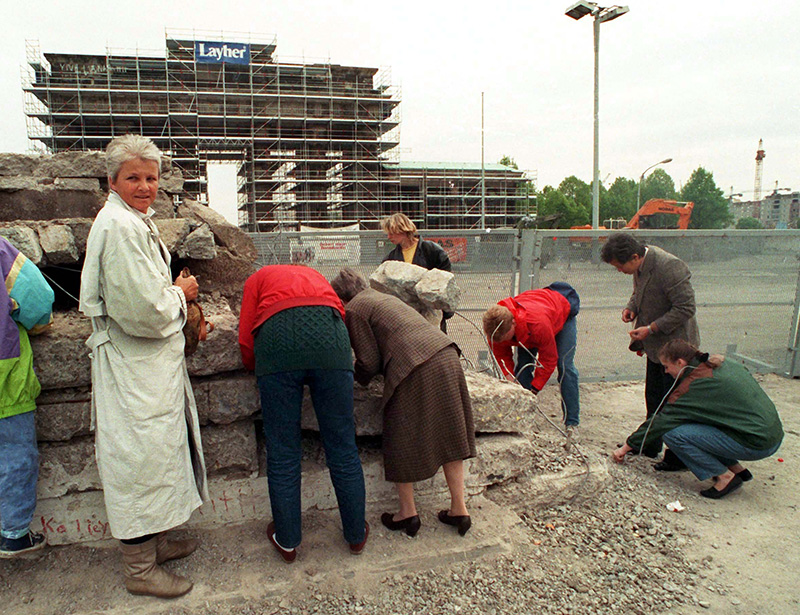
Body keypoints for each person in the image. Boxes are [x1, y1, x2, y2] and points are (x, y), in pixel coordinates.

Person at [79, 134, 207, 598]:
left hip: (147, 370)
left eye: (151, 177)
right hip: (132, 368)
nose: (145, 186)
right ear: (112, 180)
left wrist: (168, 290)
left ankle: (154, 544)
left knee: (156, 457)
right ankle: (139, 569)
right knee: (137, 462)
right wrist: (181, 295)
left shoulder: (132, 221)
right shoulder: (118, 226)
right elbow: (144, 312)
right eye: (134, 177)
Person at [330, 268, 476, 537]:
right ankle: (459, 509)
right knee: (451, 432)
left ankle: (407, 513)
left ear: (340, 298)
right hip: (445, 352)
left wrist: (355, 377)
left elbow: (369, 361)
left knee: (399, 435)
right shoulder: (381, 296)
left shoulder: (355, 310)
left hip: (413, 365)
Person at [238, 264, 367, 562]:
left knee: (283, 451)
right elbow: (339, 316)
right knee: (343, 445)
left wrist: (257, 369)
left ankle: (287, 541)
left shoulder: (257, 278)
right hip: (331, 344)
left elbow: (246, 337)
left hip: (277, 346)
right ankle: (356, 535)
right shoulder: (317, 277)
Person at [612, 340, 783, 499]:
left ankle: (725, 477)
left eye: (666, 366)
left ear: (680, 363)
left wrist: (626, 447)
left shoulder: (693, 385)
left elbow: (662, 421)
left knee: (672, 434)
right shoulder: (722, 363)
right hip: (771, 433)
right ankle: (737, 469)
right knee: (698, 423)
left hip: (756, 443)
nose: (665, 372)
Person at [601, 233, 700, 469]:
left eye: (620, 266)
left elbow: (686, 308)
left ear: (634, 257)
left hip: (677, 350)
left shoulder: (670, 266)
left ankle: (678, 458)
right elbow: (640, 292)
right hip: (656, 347)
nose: (619, 271)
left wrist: (652, 328)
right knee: (654, 397)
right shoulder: (641, 265)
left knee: (673, 403)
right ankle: (650, 443)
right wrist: (631, 308)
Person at [0, 237, 54, 558]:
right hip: (5, 378)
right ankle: (14, 535)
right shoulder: (1, 253)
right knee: (15, 456)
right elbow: (37, 301)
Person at [482, 283, 581, 434]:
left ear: (513, 324)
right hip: (530, 323)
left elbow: (549, 359)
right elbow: (502, 356)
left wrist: (534, 389)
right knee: (524, 364)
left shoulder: (538, 325)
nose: (501, 342)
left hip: (560, 312)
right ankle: (521, 416)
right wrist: (509, 377)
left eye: (504, 338)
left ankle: (572, 422)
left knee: (564, 365)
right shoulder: (495, 330)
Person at [380, 213, 453, 332]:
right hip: (405, 319)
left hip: (431, 317)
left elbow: (446, 280)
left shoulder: (431, 251)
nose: (388, 237)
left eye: (391, 233)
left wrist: (444, 310)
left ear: (402, 230)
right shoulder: (390, 258)